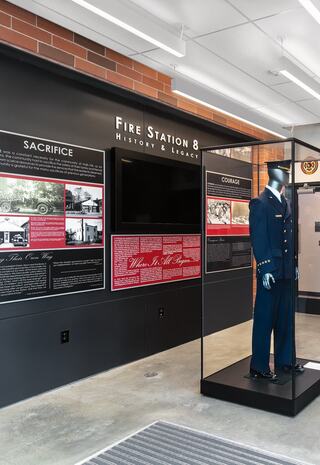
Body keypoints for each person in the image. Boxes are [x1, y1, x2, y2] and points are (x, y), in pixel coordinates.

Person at [249, 159, 304, 380]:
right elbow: (258, 238)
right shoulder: (260, 203)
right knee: (264, 320)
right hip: (271, 272)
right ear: (274, 173)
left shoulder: (285, 202)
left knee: (285, 319)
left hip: (286, 271)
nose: (287, 177)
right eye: (285, 173)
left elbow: (289, 238)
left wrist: (294, 264)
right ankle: (259, 366)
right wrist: (265, 267)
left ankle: (285, 361)